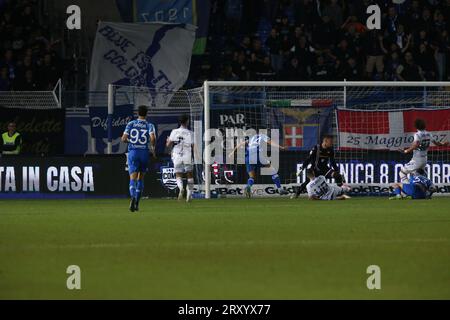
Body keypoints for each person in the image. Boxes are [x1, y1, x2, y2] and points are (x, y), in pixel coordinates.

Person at [229, 133, 288, 198]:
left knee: (251, 176)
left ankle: (248, 186)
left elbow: (240, 144)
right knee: (273, 170)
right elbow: (270, 142)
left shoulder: (251, 138)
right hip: (257, 154)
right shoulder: (262, 135)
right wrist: (281, 147)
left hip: (248, 157)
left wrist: (232, 152)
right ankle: (280, 189)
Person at [121, 106, 156, 212]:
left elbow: (123, 139)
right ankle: (136, 202)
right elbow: (153, 138)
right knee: (140, 178)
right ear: (146, 114)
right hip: (144, 153)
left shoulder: (131, 124)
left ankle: (132, 197)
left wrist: (132, 141)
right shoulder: (149, 125)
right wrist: (152, 148)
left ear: (137, 113)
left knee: (132, 178)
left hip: (133, 152)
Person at [399, 118, 449, 183]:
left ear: (416, 126)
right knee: (417, 175)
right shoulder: (429, 134)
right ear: (424, 126)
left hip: (417, 160)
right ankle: (427, 187)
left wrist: (406, 151)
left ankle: (408, 188)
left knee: (402, 172)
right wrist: (444, 144)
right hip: (424, 159)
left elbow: (416, 144)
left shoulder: (417, 134)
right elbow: (437, 143)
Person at [166, 114, 195, 202]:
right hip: (187, 155)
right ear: (187, 121)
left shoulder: (174, 131)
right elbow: (193, 146)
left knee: (178, 174)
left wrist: (167, 141)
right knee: (189, 174)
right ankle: (189, 195)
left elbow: (168, 145)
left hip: (177, 155)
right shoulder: (191, 133)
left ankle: (181, 188)